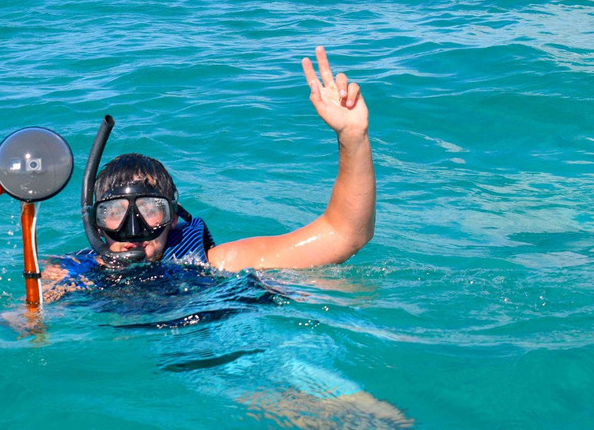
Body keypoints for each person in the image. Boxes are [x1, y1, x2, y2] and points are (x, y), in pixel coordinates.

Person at [47, 45, 374, 288]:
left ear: (173, 218)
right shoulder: (71, 274)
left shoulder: (216, 264)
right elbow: (28, 323)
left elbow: (344, 235)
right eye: (115, 212)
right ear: (96, 222)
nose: (134, 231)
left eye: (150, 210)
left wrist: (353, 138)